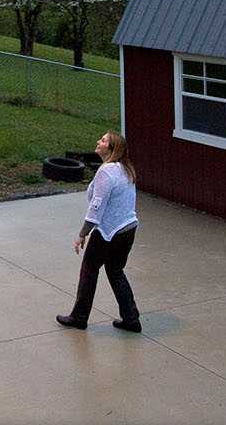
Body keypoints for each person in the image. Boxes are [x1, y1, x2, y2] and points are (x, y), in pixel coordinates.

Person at [56, 130, 141, 332]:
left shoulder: (106, 172)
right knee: (115, 270)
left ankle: (79, 317)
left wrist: (82, 233)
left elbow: (96, 207)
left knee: (89, 269)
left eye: (103, 141)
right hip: (128, 229)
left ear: (112, 149)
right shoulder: (125, 170)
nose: (98, 142)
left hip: (109, 232)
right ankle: (131, 318)